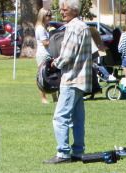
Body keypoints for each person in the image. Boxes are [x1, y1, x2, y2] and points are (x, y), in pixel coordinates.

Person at [45, 0, 91, 164]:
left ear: (73, 10)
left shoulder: (73, 27)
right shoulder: (84, 26)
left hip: (71, 78)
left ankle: (63, 153)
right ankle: (78, 151)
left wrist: (54, 63)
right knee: (78, 119)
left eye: (64, 10)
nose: (62, 12)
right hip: (82, 78)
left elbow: (67, 56)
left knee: (60, 117)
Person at [35, 7, 52, 104]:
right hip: (43, 55)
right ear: (42, 16)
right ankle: (43, 98)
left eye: (50, 15)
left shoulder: (46, 27)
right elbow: (45, 43)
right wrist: (54, 38)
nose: (49, 17)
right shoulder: (40, 28)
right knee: (42, 76)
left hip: (49, 53)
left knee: (53, 75)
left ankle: (54, 97)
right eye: (47, 15)